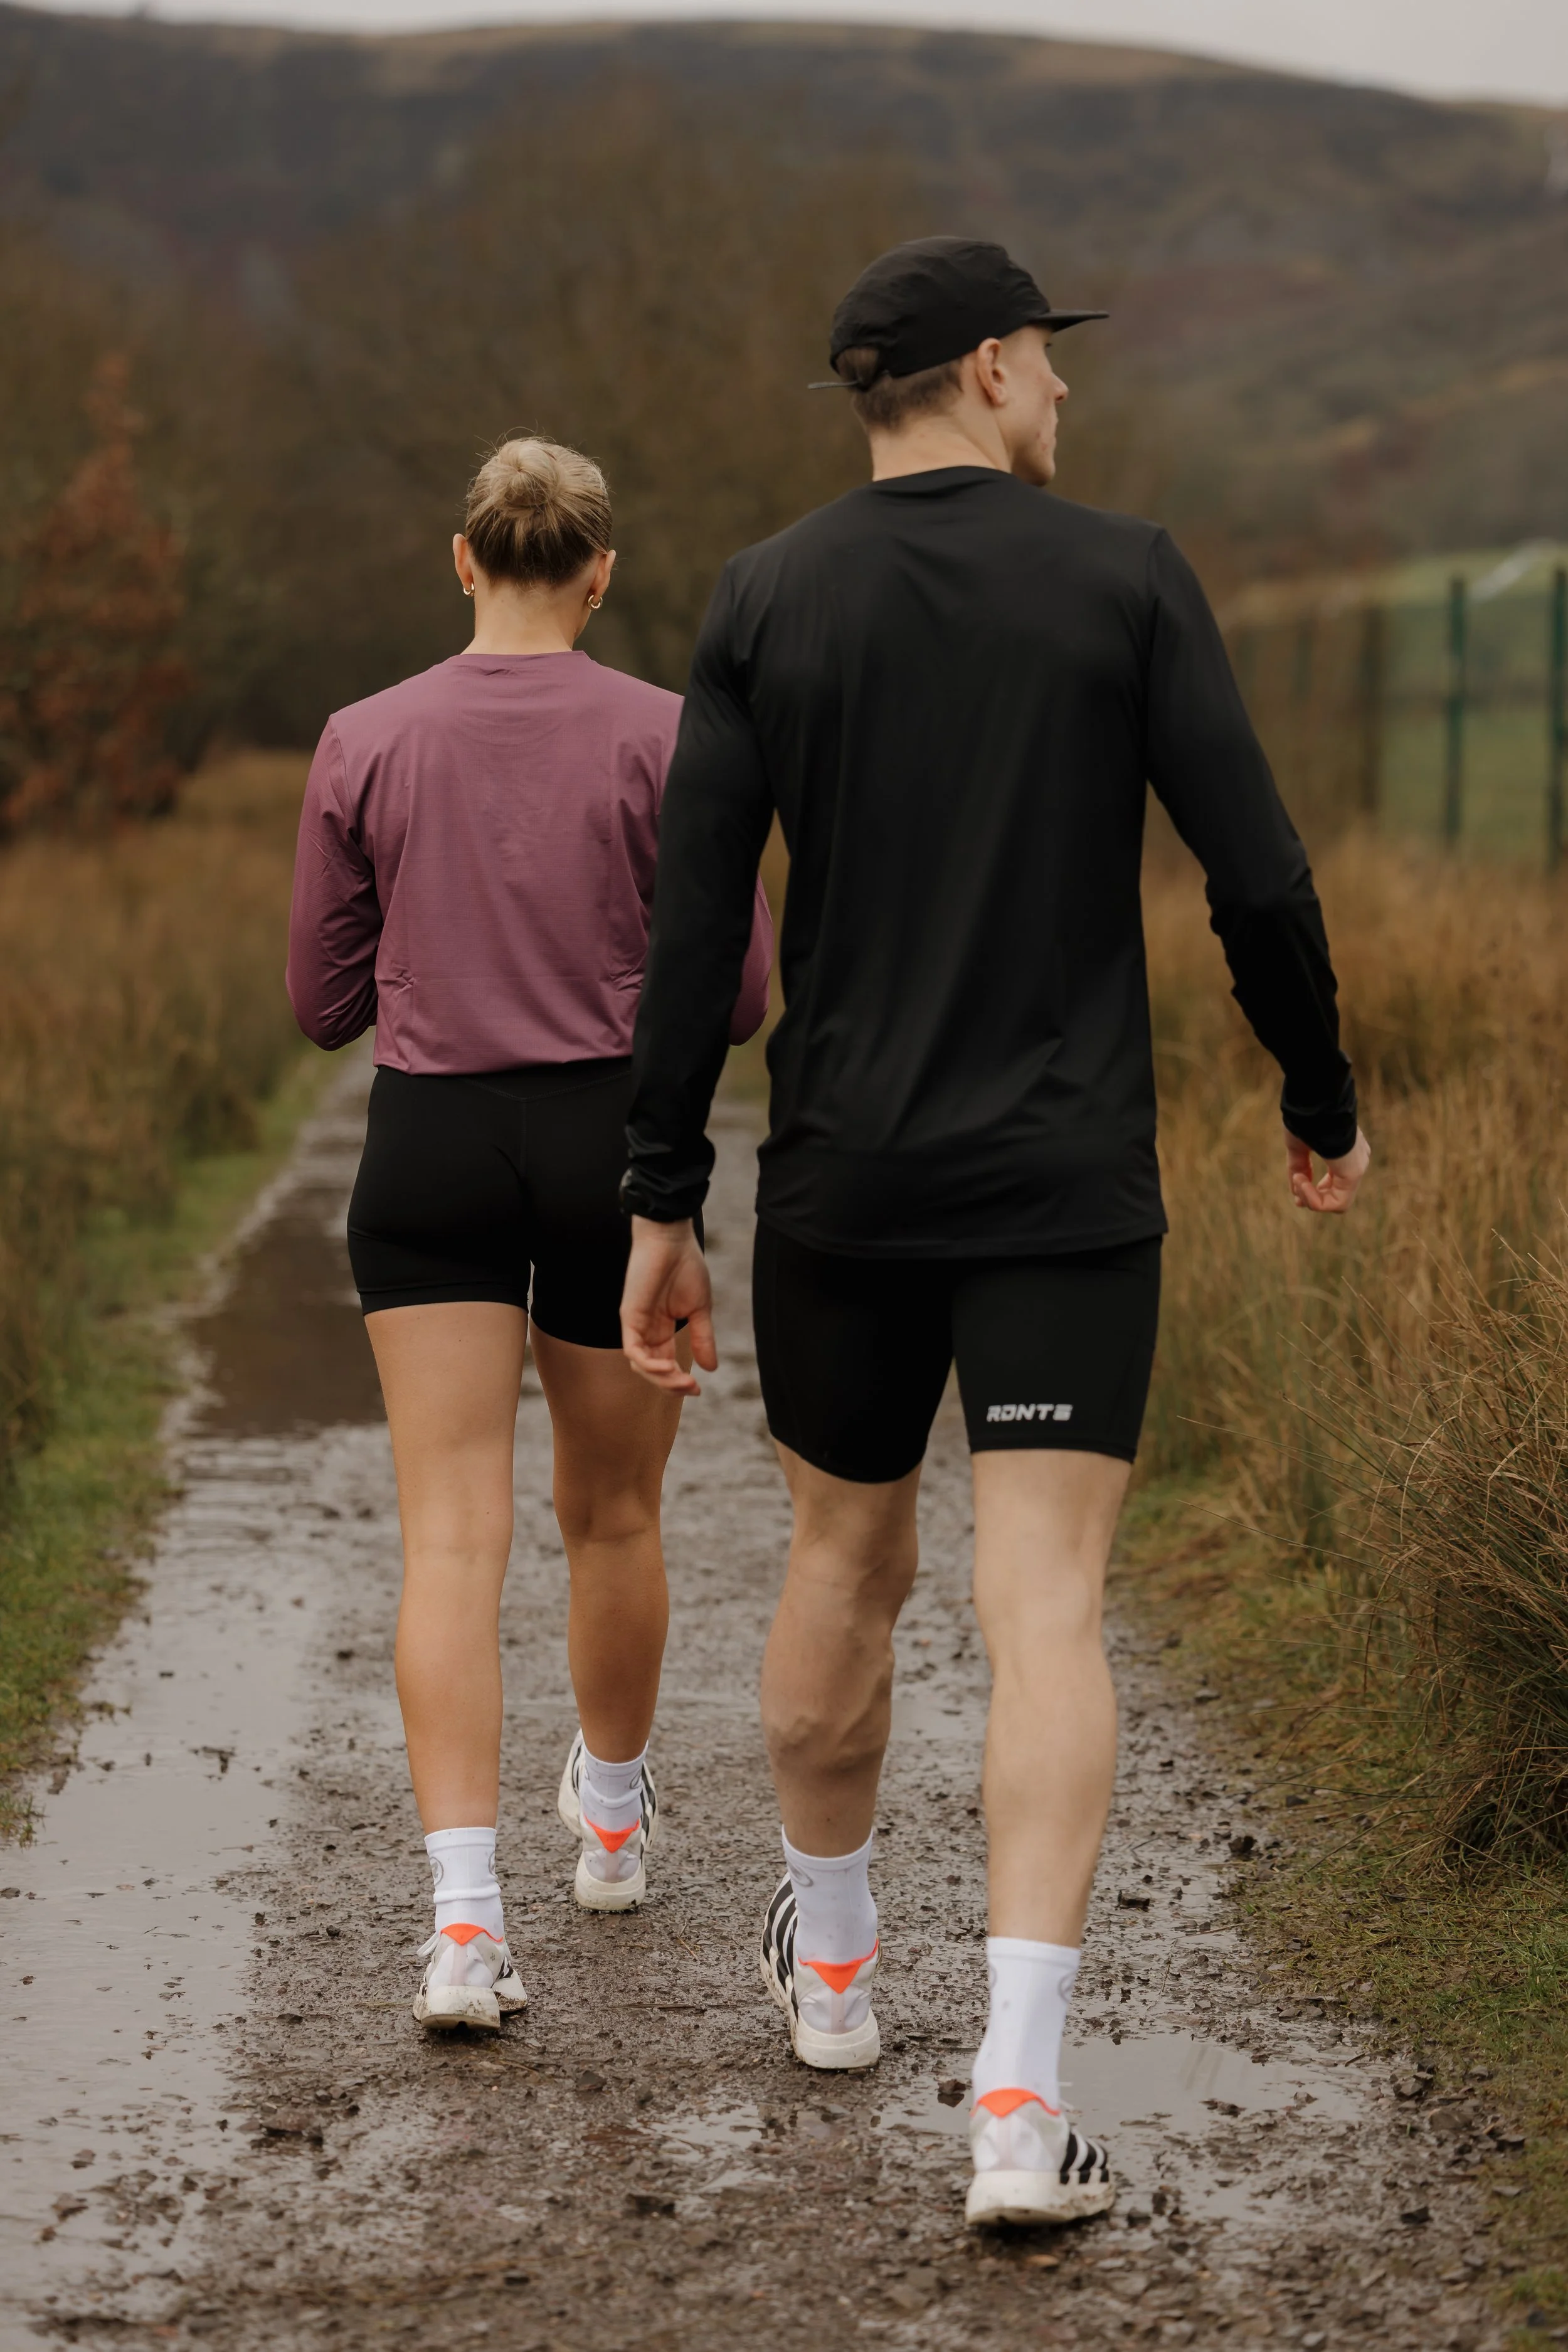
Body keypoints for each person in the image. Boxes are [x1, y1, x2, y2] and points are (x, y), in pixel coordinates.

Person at [617, 238, 1370, 2225]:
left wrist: (659, 1193)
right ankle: (1019, 2108)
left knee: (838, 1563)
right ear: (997, 364)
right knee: (1042, 1608)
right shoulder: (1124, 573)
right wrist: (1317, 1093)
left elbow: (695, 936)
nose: (1068, 404)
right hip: (1057, 1189)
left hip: (844, 1182)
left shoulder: (764, 596)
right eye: (1055, 370)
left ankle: (840, 1968)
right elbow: (1261, 874)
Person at [286, 436, 773, 2034]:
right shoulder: (669, 735)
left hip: (426, 1145)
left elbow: (321, 1004)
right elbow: (746, 992)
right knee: (613, 1516)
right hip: (607, 1153)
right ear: (601, 571)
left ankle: (464, 1931)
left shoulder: (364, 737)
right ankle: (614, 1828)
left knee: (449, 1536)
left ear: (461, 557)